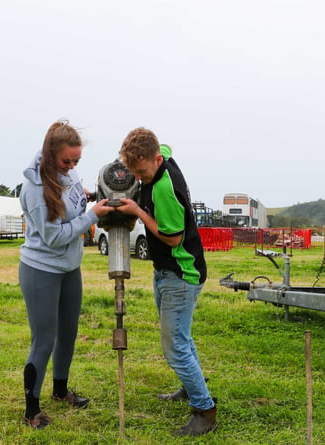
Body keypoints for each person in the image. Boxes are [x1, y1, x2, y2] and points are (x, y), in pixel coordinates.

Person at [115, 127, 217, 437]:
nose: (139, 178)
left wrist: (137, 212)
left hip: (181, 273)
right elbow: (151, 150)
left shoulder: (163, 189)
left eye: (142, 171)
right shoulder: (161, 157)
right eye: (133, 171)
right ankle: (190, 388)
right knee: (181, 337)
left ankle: (205, 411)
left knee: (174, 347)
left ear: (156, 159)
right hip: (166, 271)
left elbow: (173, 238)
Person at [19, 120, 115, 429]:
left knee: (69, 333)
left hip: (70, 267)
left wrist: (89, 202)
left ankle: (60, 392)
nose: (71, 166)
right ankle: (31, 409)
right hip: (41, 269)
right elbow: (54, 236)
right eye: (66, 161)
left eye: (76, 161)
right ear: (50, 155)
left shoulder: (69, 173)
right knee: (44, 339)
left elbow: (72, 206)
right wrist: (92, 216)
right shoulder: (34, 189)